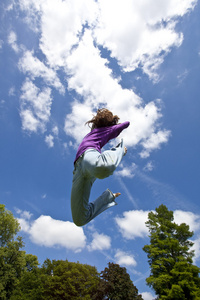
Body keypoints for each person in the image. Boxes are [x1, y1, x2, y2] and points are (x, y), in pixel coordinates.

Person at [71, 108, 130, 226]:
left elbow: (124, 124)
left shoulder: (97, 132)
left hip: (90, 159)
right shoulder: (105, 131)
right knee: (79, 220)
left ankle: (120, 149)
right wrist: (115, 125)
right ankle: (107, 198)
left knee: (103, 168)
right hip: (79, 169)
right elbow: (126, 124)